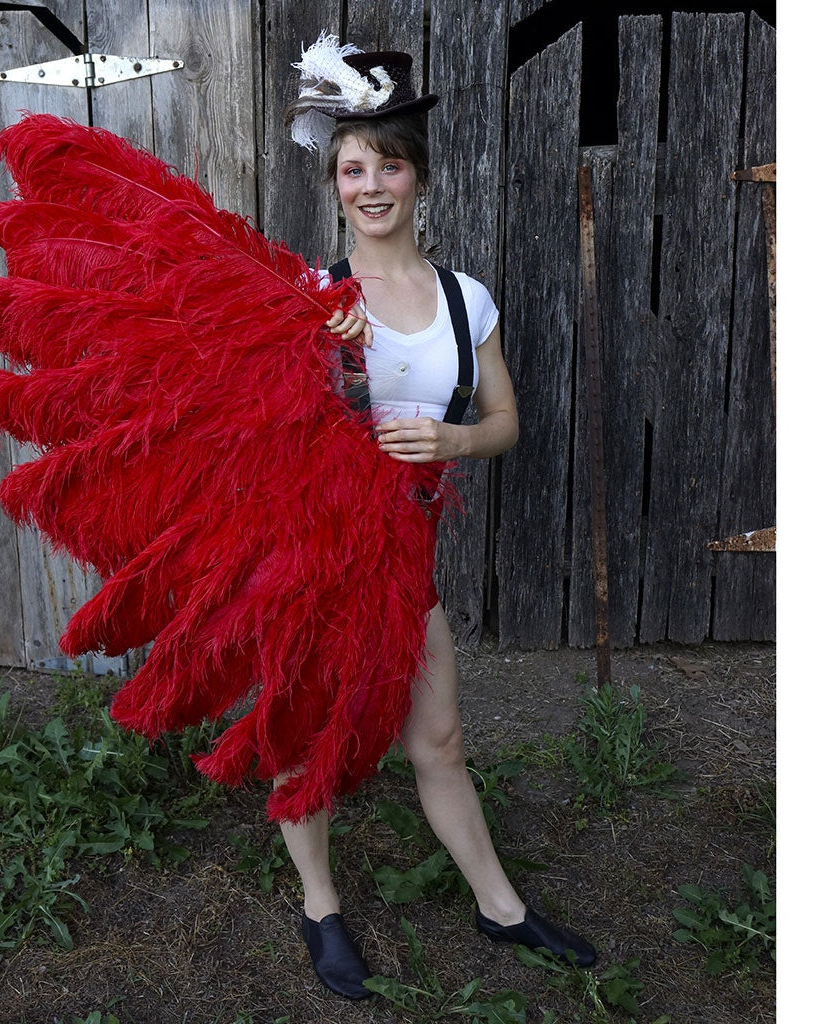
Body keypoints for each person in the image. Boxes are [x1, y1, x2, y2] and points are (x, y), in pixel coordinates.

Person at [278, 34, 597, 1000]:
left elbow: (503, 421)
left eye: (389, 165)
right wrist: (323, 360)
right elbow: (271, 437)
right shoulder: (309, 297)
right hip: (315, 545)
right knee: (308, 735)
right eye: (352, 169)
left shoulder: (465, 299)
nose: (371, 185)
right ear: (334, 184)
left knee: (439, 738)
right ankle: (321, 906)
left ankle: (501, 909)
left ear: (418, 176)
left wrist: (455, 445)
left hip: (406, 547)